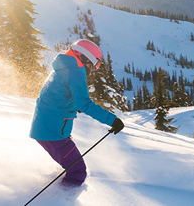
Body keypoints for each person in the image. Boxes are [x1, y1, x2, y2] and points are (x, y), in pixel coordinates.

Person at [29, 39, 125, 187]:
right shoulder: (75, 72)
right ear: (86, 58)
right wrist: (112, 120)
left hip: (47, 128)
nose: (94, 69)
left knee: (73, 167)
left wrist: (73, 104)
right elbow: (85, 103)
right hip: (53, 133)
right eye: (95, 64)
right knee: (78, 172)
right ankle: (61, 199)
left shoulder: (64, 67)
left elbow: (58, 95)